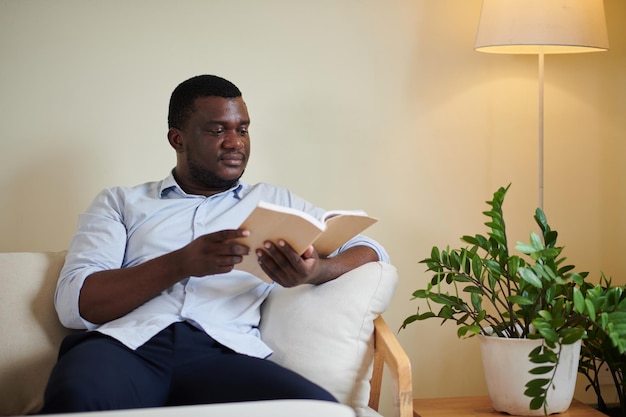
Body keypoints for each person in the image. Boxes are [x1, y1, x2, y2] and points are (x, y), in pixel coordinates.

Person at [41, 74, 389, 413]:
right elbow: (75, 304)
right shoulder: (120, 203)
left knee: (319, 411)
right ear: (177, 139)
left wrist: (314, 272)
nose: (235, 142)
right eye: (217, 129)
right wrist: (182, 263)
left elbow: (371, 250)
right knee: (76, 397)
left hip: (223, 354)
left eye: (242, 129)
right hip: (127, 347)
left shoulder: (273, 201)